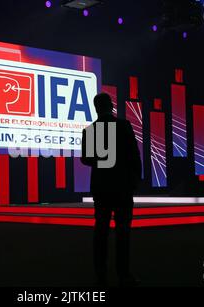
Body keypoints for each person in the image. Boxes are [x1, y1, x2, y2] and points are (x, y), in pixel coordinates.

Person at [81, 93, 142, 287]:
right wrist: (134, 182)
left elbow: (86, 159)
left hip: (101, 187)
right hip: (122, 187)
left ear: (96, 108)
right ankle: (123, 274)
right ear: (111, 106)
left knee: (101, 232)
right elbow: (134, 155)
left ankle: (101, 275)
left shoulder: (90, 130)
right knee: (123, 232)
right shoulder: (124, 126)